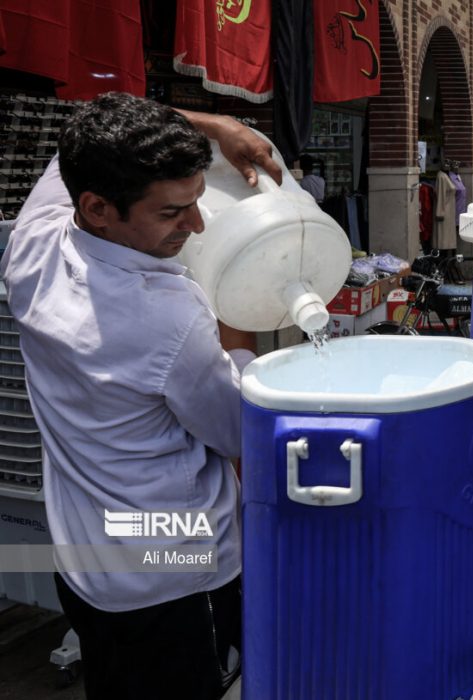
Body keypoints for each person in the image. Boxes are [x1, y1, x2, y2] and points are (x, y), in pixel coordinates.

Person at [1, 92, 282, 699]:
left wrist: (214, 126)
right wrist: (243, 302)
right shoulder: (166, 317)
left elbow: (92, 126)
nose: (198, 225)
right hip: (172, 571)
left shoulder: (34, 243)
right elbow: (237, 431)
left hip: (87, 561)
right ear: (99, 207)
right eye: (172, 213)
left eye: (197, 203)